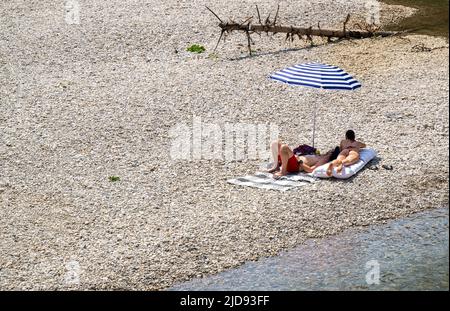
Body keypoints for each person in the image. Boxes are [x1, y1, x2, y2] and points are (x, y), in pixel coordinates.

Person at [266, 140, 340, 177]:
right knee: (275, 143)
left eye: (331, 150)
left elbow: (310, 170)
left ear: (331, 154)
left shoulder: (324, 159)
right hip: (293, 160)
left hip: (296, 166)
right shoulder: (321, 155)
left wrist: (299, 161)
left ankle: (283, 171)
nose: (329, 150)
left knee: (284, 147)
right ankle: (276, 166)